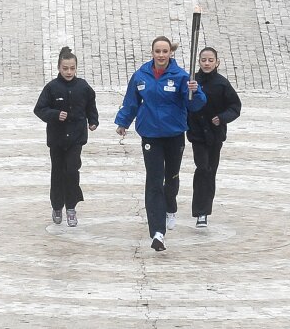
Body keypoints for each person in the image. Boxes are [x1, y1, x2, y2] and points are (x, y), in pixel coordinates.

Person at [115, 36, 205, 251]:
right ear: (152, 52)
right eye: (158, 51)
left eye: (165, 51)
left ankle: (170, 206)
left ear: (170, 53)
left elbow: (195, 105)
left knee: (171, 177)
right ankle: (157, 232)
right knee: (154, 181)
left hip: (174, 134)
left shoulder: (182, 76)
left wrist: (196, 91)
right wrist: (123, 121)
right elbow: (132, 101)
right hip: (150, 135)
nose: (161, 55)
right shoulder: (141, 75)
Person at [34, 46, 98, 227]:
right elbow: (39, 109)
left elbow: (91, 107)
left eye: (72, 68)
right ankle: (56, 206)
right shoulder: (51, 88)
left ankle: (71, 207)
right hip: (57, 139)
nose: (69, 72)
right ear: (59, 68)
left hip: (76, 139)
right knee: (57, 173)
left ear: (76, 68)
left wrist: (93, 121)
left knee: (71, 171)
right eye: (65, 68)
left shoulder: (84, 87)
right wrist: (54, 115)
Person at [187, 47, 241, 228]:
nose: (207, 63)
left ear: (217, 62)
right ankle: (200, 210)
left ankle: (204, 212)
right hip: (197, 134)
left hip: (215, 135)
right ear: (198, 62)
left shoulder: (222, 84)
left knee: (210, 171)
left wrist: (223, 118)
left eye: (210, 60)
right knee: (202, 168)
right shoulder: (191, 81)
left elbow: (235, 106)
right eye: (203, 60)